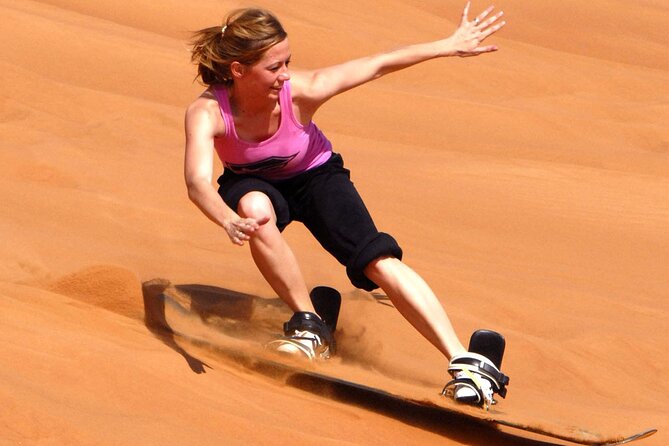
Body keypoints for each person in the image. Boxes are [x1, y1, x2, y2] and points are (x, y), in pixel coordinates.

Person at [184, 2, 507, 407]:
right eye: (274, 67)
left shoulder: (303, 91)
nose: (285, 74)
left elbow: (376, 64)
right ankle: (308, 323)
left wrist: (447, 45)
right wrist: (226, 219)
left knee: (376, 259)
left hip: (317, 177)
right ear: (237, 70)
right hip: (250, 181)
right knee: (255, 211)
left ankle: (466, 360)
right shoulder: (207, 112)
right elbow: (197, 182)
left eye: (288, 62)